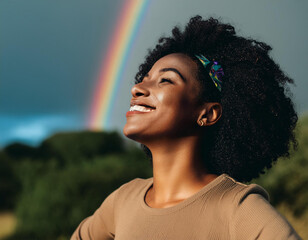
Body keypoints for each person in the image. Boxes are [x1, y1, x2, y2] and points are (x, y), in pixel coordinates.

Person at [71, 16, 301, 239]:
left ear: (207, 114)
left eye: (166, 80)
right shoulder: (122, 201)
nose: (137, 89)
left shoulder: (237, 207)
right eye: (145, 77)